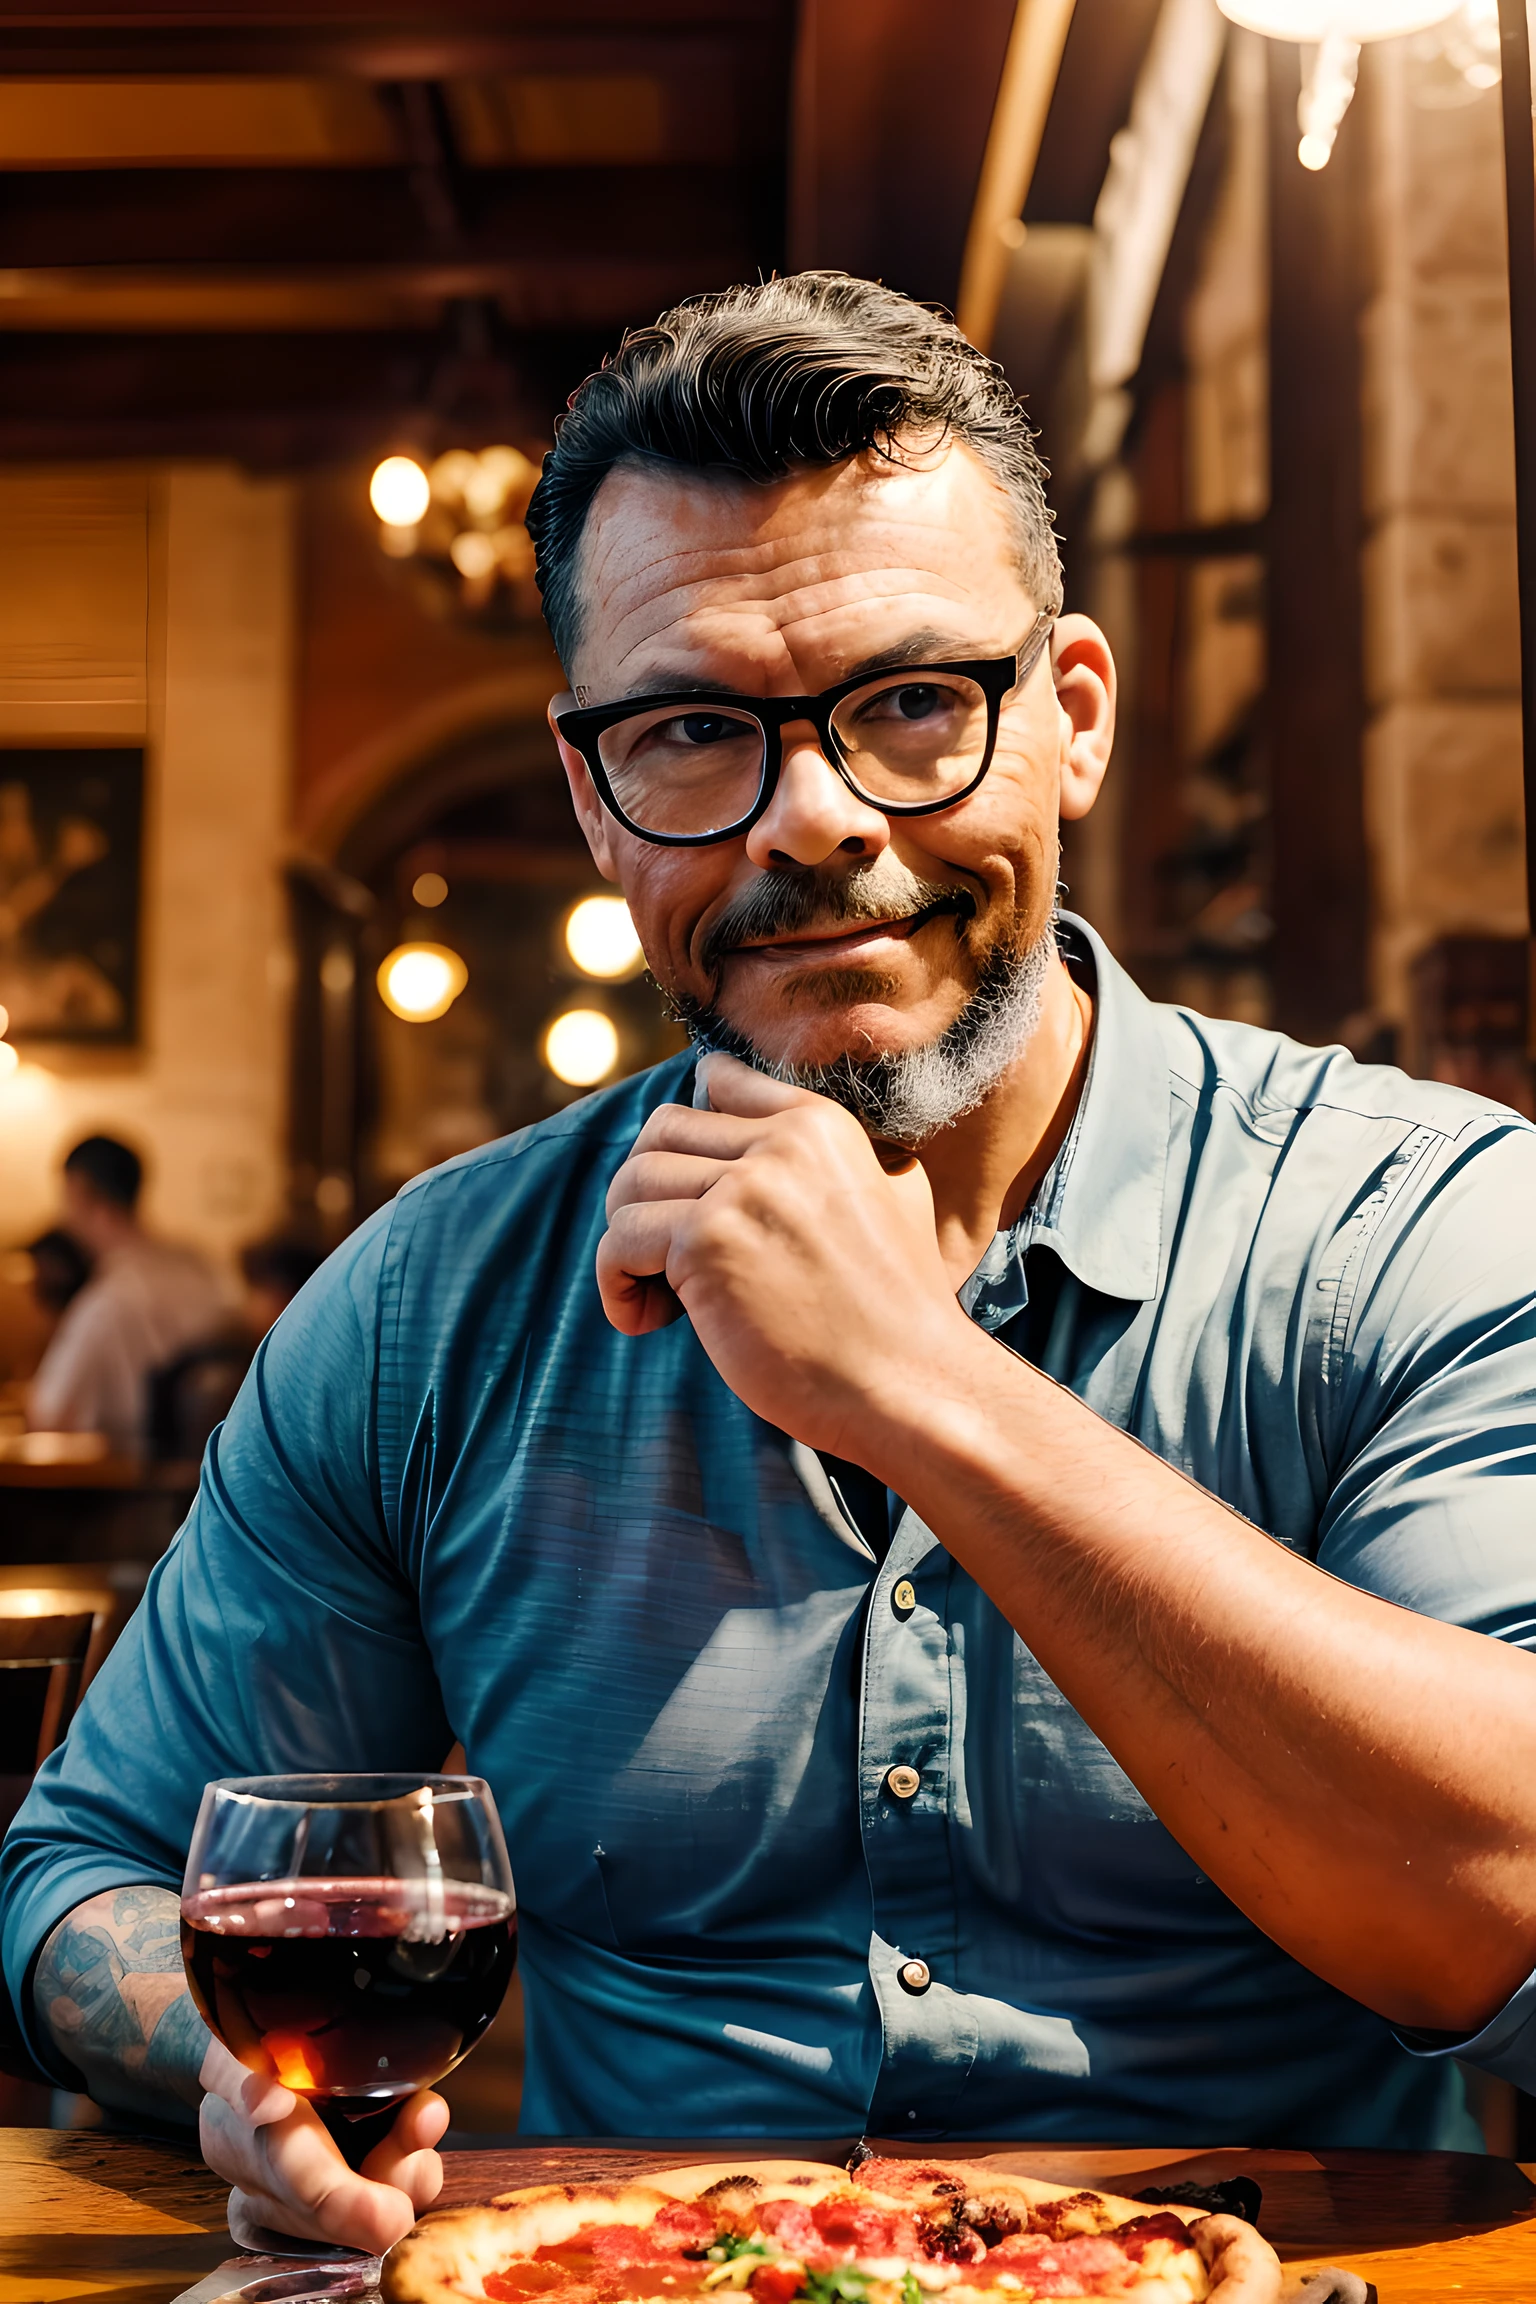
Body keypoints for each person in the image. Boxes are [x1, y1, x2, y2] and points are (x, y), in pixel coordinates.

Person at [6, 273, 1536, 2252]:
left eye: (911, 704)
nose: (808, 822)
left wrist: (912, 1380)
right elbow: (89, 1871)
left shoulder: (1418, 1220)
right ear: (591, 798)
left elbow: (1505, 1905)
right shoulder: (426, 1308)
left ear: (1070, 715)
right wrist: (231, 2065)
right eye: (694, 732)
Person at [27, 1135, 227, 1456]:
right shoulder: (203, 1270)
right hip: (213, 1482)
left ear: (78, 1192)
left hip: (130, 1494)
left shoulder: (108, 1302)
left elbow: (49, 1413)